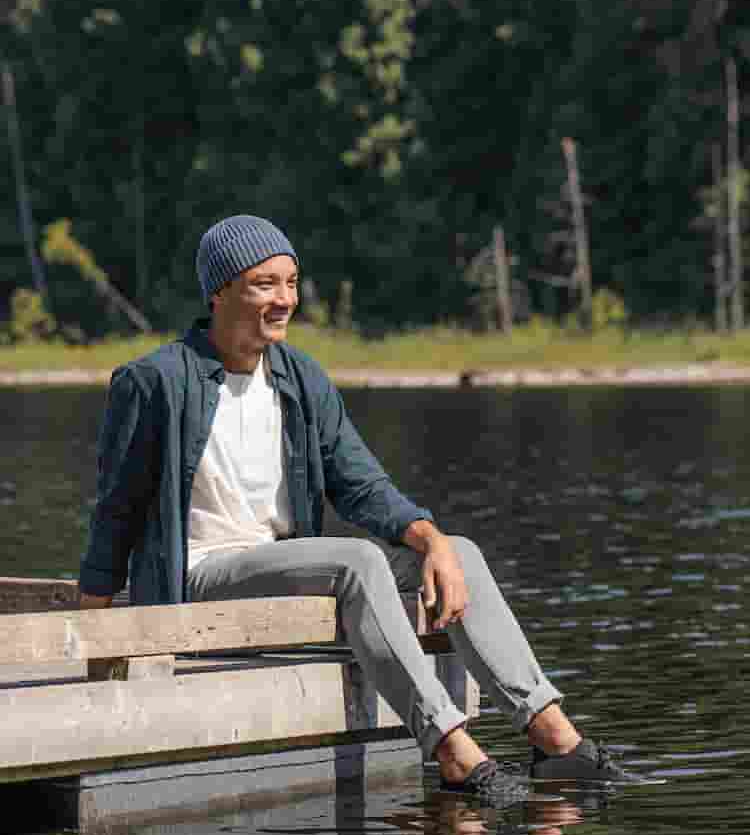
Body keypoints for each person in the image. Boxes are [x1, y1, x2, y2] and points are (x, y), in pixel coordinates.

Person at [78, 215, 639, 803]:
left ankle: (557, 743)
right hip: (200, 579)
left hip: (279, 571)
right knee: (356, 561)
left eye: (291, 283)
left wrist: (430, 539)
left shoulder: (300, 377)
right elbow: (116, 511)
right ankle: (451, 748)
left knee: (460, 554)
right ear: (219, 292)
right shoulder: (154, 382)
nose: (285, 300)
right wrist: (93, 636)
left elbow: (359, 482)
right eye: (265, 284)